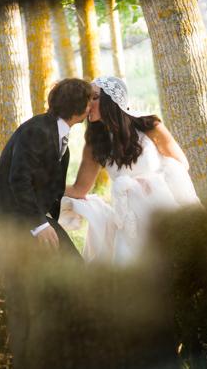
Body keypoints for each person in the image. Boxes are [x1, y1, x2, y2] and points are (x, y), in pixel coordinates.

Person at [61, 75, 199, 264]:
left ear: (112, 100)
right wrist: (45, 186)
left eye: (94, 97)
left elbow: (181, 163)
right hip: (129, 220)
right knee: (130, 267)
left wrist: (152, 185)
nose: (87, 103)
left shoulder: (150, 126)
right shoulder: (95, 144)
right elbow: (79, 189)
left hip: (161, 207)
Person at [0, 78, 93, 257]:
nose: (91, 107)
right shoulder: (36, 131)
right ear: (77, 106)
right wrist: (40, 225)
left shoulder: (56, 134)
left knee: (69, 267)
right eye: (89, 102)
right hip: (5, 222)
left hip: (26, 217)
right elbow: (19, 180)